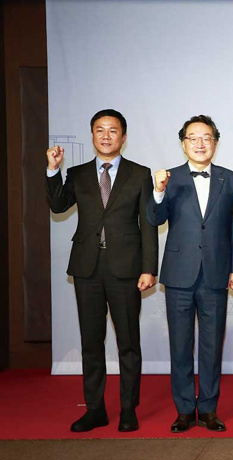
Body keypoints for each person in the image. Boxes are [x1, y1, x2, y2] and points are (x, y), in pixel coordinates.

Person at [46, 109, 158, 433]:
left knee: (128, 343)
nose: (106, 136)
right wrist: (53, 170)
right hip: (88, 268)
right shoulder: (78, 174)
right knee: (91, 342)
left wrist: (149, 268)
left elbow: (148, 224)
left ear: (124, 137)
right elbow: (58, 205)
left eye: (113, 130)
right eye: (100, 130)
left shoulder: (140, 174)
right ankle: (95, 409)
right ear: (93, 135)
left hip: (126, 268)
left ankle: (128, 409)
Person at [147, 115, 233, 433]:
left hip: (217, 272)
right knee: (180, 345)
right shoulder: (169, 177)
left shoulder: (231, 179)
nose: (200, 143)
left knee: (212, 346)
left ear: (215, 142)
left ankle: (209, 409)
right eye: (193, 137)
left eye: (206, 137)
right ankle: (184, 409)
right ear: (183, 143)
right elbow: (155, 218)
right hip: (179, 274)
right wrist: (158, 191)